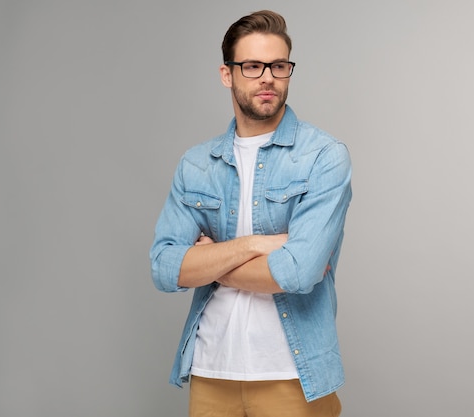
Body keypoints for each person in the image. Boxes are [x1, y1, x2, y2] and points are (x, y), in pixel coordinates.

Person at [150, 10, 352, 417]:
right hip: (211, 372)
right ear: (227, 75)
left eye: (279, 66)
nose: (268, 78)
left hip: (292, 375)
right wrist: (255, 246)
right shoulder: (196, 165)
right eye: (253, 66)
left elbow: (297, 272)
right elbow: (165, 267)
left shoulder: (324, 158)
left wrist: (211, 260)